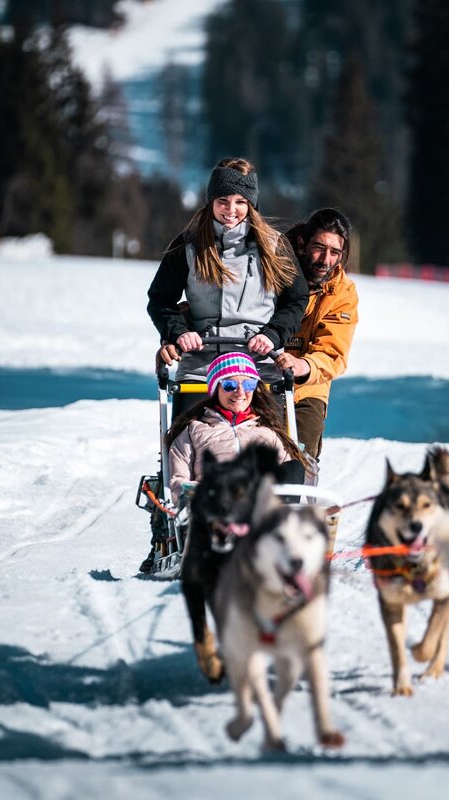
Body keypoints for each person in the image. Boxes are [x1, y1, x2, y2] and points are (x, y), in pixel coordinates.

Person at [146, 157, 308, 412]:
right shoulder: (189, 245)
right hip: (203, 365)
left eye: (240, 202)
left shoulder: (274, 246)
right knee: (191, 440)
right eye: (223, 201)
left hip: (258, 365)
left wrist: (273, 334)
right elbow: (160, 299)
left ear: (251, 204)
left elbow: (296, 299)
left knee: (268, 444)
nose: (231, 210)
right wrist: (179, 332)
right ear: (211, 201)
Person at [139, 352, 305, 573]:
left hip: (260, 509)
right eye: (228, 385)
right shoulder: (194, 430)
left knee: (294, 467)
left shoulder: (267, 433)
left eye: (248, 383)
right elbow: (177, 481)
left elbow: (289, 480)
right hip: (215, 512)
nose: (239, 392)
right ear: (215, 388)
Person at [276, 208, 359, 461]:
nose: (325, 259)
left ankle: (294, 491)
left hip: (307, 386)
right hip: (253, 378)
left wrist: (303, 365)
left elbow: (333, 352)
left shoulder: (342, 293)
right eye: (319, 248)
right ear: (302, 242)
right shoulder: (272, 269)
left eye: (335, 252)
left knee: (300, 452)